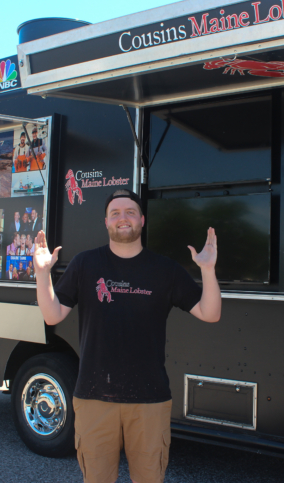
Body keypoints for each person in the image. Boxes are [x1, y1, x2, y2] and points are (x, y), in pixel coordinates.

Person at [35, 189, 221, 483]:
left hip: (150, 399)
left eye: (130, 212)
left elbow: (210, 313)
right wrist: (42, 274)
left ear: (142, 220)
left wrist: (208, 270)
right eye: (115, 213)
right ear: (106, 222)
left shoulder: (165, 269)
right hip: (93, 397)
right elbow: (52, 315)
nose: (123, 218)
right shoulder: (85, 264)